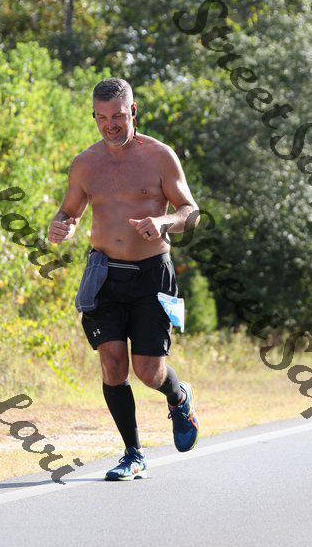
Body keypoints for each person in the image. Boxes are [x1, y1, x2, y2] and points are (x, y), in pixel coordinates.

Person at [48, 78, 200, 481]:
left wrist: (164, 221)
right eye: (101, 118)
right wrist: (61, 225)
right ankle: (133, 453)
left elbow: (190, 211)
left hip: (152, 275)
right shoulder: (85, 163)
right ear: (94, 117)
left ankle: (178, 397)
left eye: (117, 116)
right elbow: (69, 211)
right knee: (112, 365)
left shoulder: (159, 157)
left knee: (148, 371)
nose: (110, 125)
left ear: (132, 112)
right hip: (104, 274)